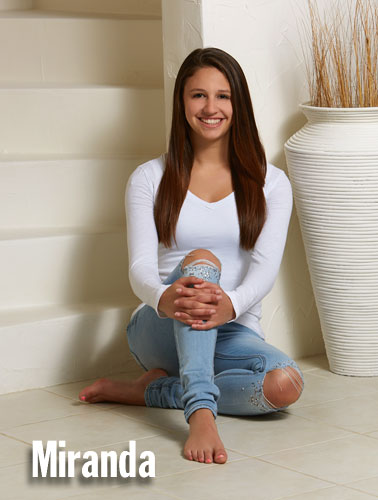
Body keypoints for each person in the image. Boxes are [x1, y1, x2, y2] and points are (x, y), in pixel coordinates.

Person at [79, 47, 304, 465]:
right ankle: (200, 409)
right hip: (162, 324)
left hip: (233, 328)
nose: (211, 107)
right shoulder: (150, 177)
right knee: (203, 259)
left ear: (239, 104)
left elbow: (265, 271)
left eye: (223, 96)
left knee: (284, 386)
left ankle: (151, 391)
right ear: (182, 102)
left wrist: (230, 306)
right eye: (198, 95)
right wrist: (165, 297)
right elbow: (140, 268)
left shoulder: (272, 183)